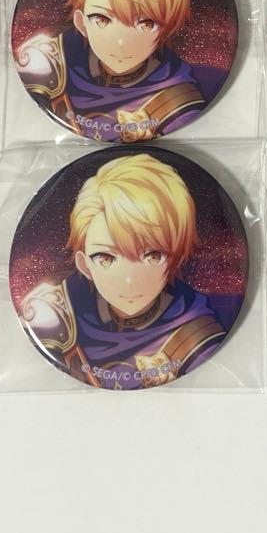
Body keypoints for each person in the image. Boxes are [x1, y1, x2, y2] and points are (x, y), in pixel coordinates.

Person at [20, 154, 227, 389]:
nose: (129, 281)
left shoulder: (196, 336)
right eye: (106, 258)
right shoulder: (54, 314)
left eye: (152, 256)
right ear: (84, 265)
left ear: (176, 259)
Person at [16, 0, 226, 142]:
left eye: (146, 24)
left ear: (167, 28)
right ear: (81, 23)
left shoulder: (178, 102)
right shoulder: (46, 65)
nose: (121, 42)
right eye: (102, 20)